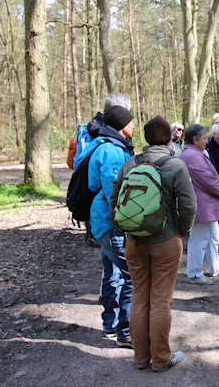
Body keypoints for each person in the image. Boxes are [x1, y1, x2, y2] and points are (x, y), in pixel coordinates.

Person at [111, 116, 196, 372]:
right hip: (165, 242)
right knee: (160, 301)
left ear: (146, 138)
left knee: (139, 298)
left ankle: (140, 358)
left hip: (134, 242)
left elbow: (114, 200)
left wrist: (126, 229)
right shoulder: (175, 165)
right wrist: (180, 231)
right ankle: (160, 359)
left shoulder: (129, 164)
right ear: (169, 137)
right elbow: (189, 205)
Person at [76, 104, 135, 348]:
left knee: (111, 274)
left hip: (101, 222)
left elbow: (92, 186)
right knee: (133, 275)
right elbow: (117, 192)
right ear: (122, 125)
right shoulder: (111, 151)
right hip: (112, 224)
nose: (134, 126)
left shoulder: (100, 146)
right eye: (131, 122)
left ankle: (110, 324)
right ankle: (127, 331)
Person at [181, 124, 219, 285]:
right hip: (202, 204)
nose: (207, 139)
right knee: (199, 239)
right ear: (195, 140)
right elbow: (208, 179)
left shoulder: (196, 153)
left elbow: (212, 176)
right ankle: (194, 273)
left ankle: (214, 266)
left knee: (212, 236)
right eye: (204, 137)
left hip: (206, 204)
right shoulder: (192, 156)